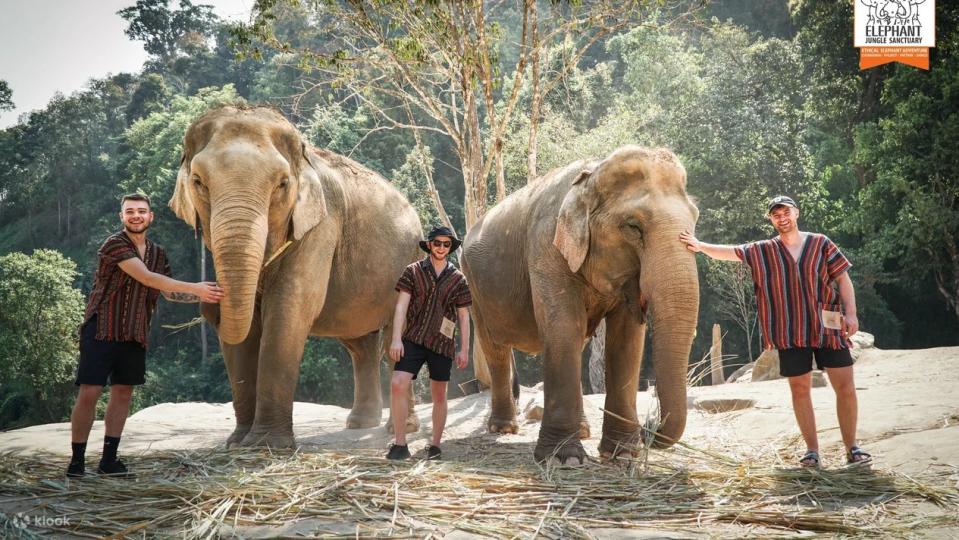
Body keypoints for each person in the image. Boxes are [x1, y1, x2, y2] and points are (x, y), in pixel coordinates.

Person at [679, 195, 871, 467]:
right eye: (776, 214)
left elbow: (843, 278)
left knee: (846, 387)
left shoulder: (820, 243)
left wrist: (851, 313)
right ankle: (812, 451)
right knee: (800, 390)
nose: (782, 218)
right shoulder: (764, 250)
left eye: (786, 212)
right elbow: (731, 252)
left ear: (797, 213)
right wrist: (699, 246)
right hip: (789, 330)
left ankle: (852, 447)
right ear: (771, 219)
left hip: (827, 326)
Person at [67, 193, 224, 478]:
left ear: (151, 217)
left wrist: (211, 294)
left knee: (123, 393)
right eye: (130, 212)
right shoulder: (114, 245)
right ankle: (76, 463)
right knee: (90, 391)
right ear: (122, 217)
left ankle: (108, 461)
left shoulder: (157, 253)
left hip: (135, 331)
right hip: (102, 328)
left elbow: (168, 292)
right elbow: (148, 278)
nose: (136, 216)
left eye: (141, 211)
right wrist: (197, 288)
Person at [387, 226, 472, 460]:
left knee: (439, 395)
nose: (441, 247)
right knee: (397, 383)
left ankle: (435, 446)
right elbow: (401, 307)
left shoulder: (458, 279)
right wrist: (396, 338)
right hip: (413, 338)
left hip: (442, 343)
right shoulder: (412, 272)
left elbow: (464, 316)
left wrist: (464, 349)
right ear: (430, 245)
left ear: (450, 247)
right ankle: (400, 444)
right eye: (437, 243)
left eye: (446, 244)